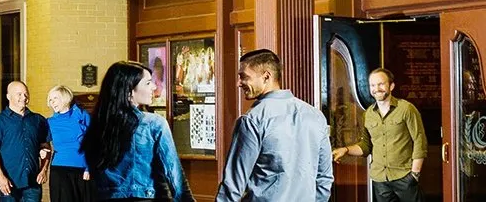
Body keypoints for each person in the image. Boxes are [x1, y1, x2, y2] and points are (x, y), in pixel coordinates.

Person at [216, 49, 333, 202]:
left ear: (266, 77)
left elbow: (233, 186)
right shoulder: (315, 115)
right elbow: (324, 179)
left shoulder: (252, 120)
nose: (239, 83)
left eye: (244, 77)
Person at [80, 61, 193, 201]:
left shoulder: (97, 125)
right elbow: (174, 173)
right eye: (147, 83)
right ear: (129, 91)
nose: (154, 86)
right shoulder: (153, 123)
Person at [332, 68, 427, 202]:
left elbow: (419, 141)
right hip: (380, 179)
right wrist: (346, 150)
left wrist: (414, 174)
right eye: (373, 85)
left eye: (381, 84)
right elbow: (366, 146)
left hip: (404, 176)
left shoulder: (406, 109)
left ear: (391, 86)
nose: (377, 88)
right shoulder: (368, 114)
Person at [0, 81, 51, 201]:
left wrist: (44, 169)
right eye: (19, 94)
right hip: (8, 183)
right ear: (8, 96)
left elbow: (46, 147)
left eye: (26, 94)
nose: (24, 97)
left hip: (33, 184)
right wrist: (0, 176)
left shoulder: (38, 120)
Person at [47, 84, 92, 202]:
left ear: (65, 98)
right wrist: (42, 149)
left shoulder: (82, 115)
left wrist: (89, 168)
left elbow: (93, 143)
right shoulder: (49, 122)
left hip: (82, 169)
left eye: (55, 98)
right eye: (50, 100)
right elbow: (42, 143)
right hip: (59, 169)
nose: (52, 102)